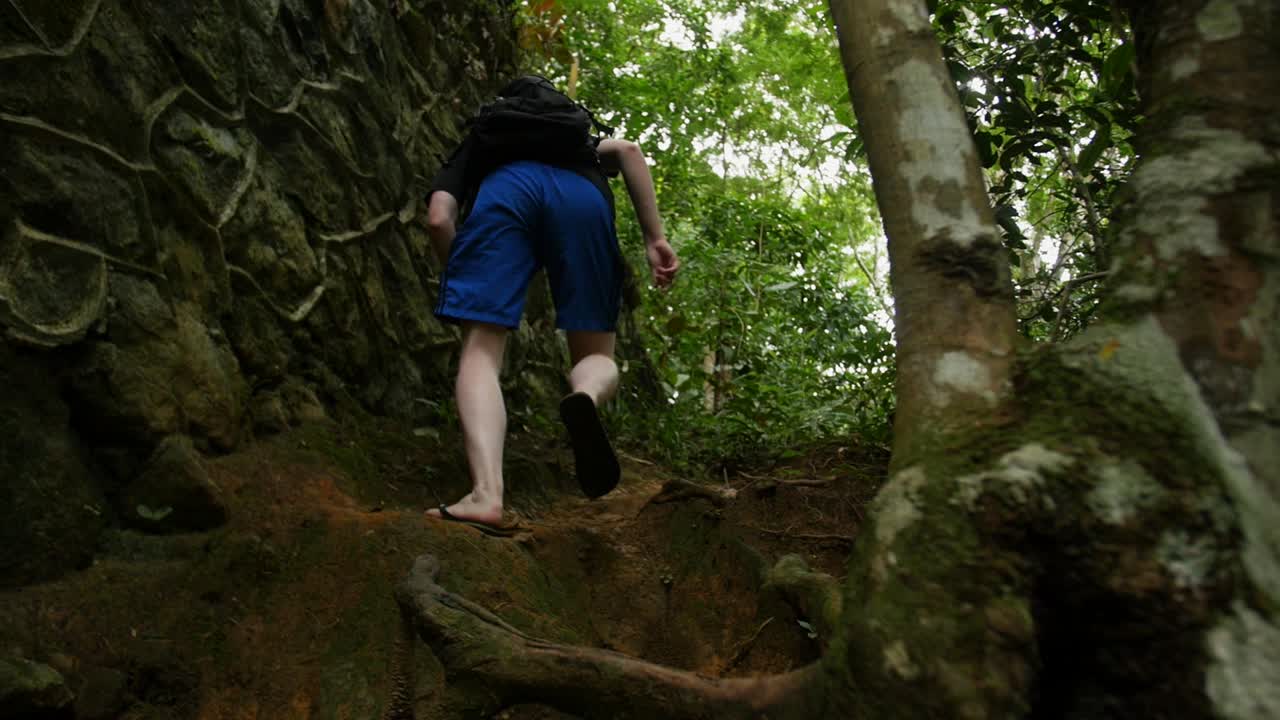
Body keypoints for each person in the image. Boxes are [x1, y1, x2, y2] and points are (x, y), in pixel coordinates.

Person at [423, 76, 679, 532]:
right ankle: (583, 396)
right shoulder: (575, 137)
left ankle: (486, 495)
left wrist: (463, 276)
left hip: (506, 192)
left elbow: (439, 217)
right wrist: (654, 238)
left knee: (481, 351)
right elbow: (630, 153)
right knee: (597, 355)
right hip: (584, 197)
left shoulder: (484, 140)